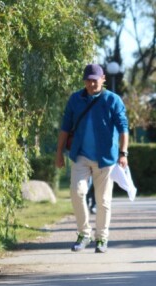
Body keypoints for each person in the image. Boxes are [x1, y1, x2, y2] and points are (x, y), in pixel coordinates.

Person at [55, 63, 129, 253]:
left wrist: (123, 153)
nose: (91, 83)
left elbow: (123, 129)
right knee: (76, 192)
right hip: (80, 155)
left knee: (103, 200)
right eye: (88, 80)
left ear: (103, 79)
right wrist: (59, 153)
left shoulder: (113, 100)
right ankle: (84, 234)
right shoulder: (75, 99)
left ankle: (102, 238)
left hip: (106, 158)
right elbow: (65, 128)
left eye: (95, 80)